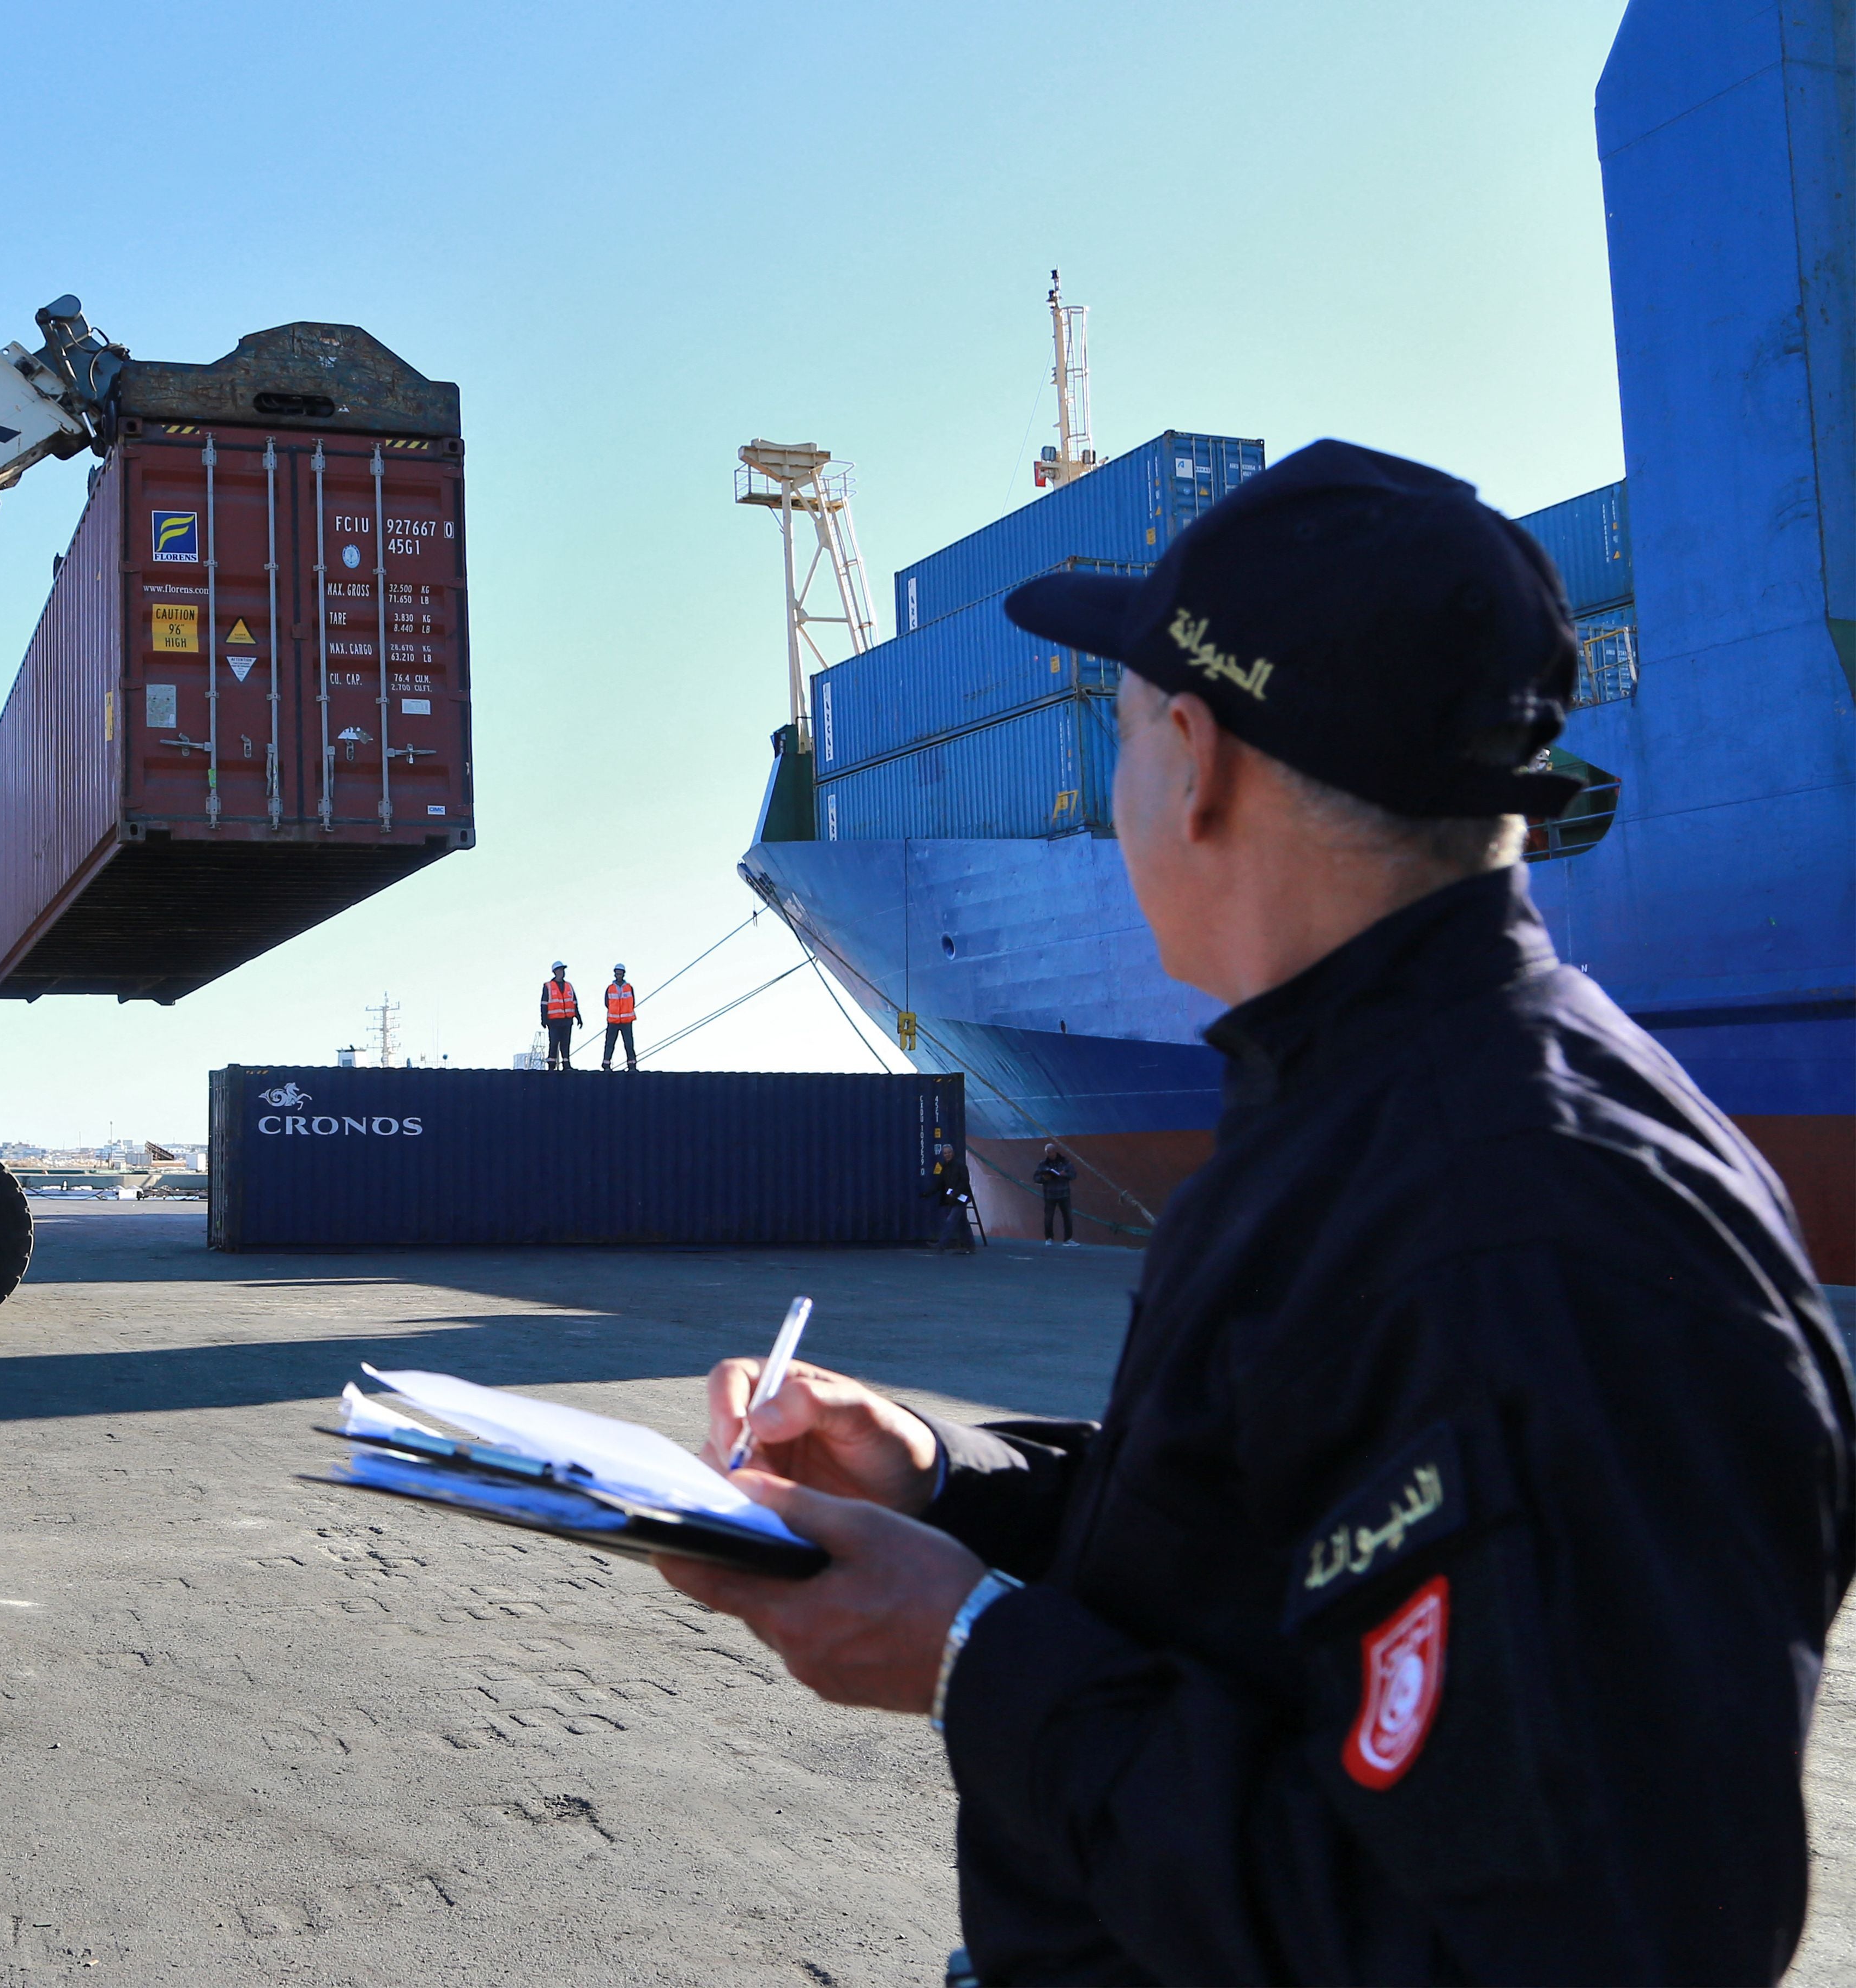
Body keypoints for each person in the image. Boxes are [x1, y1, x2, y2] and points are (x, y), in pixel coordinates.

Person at [655, 441, 1853, 1985]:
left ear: (1197, 757)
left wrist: (976, 1656)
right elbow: (1280, 1545)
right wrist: (948, 1484)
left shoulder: (1527, 1231)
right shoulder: (1375, 1115)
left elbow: (1568, 1949)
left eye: (1119, 723)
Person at [926, 1140, 980, 1252]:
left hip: (960, 1199)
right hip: (952, 1200)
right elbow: (940, 1184)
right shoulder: (944, 1167)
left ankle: (941, 1245)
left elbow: (965, 1182)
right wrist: (928, 1193)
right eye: (945, 1153)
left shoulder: (960, 1166)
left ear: (953, 1153)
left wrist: (955, 1193)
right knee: (963, 1223)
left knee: (950, 1221)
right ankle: (971, 1246)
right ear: (943, 1155)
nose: (947, 1155)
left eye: (949, 1152)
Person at [1030, 1142, 1077, 1244]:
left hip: (1064, 1194)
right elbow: (1036, 1178)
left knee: (1068, 1217)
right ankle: (1049, 1238)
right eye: (1048, 1153)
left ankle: (1068, 1239)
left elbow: (1073, 1175)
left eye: (1051, 1152)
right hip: (1050, 1195)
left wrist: (1064, 1175)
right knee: (1049, 1217)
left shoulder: (1065, 1162)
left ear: (1055, 1151)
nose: (1050, 1155)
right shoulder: (1043, 1164)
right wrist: (1045, 1178)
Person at [539, 962, 581, 1071]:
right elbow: (544, 1003)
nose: (562, 972)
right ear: (555, 972)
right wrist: (544, 1019)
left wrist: (578, 1017)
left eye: (563, 970)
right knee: (554, 1042)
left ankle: (567, 1065)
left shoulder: (569, 986)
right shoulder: (548, 986)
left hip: (567, 1019)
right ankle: (551, 1065)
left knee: (566, 1043)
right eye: (559, 970)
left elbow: (574, 1002)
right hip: (554, 1020)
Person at [602, 965, 639, 1071]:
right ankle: (606, 1064)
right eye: (617, 973)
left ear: (623, 974)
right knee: (610, 1043)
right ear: (615, 974)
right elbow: (607, 1003)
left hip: (626, 1021)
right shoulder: (610, 989)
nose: (619, 975)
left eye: (620, 973)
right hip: (613, 1021)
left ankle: (632, 1065)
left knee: (629, 1043)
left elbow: (633, 1002)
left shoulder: (629, 988)